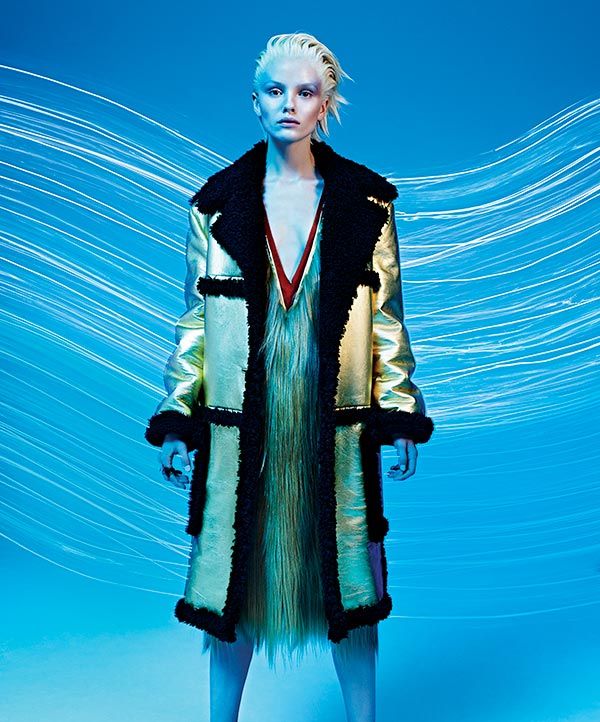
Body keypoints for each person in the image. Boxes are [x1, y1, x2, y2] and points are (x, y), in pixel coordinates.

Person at [144, 32, 434, 722]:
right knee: (235, 582)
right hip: (243, 425)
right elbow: (196, 322)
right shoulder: (215, 207)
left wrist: (398, 410)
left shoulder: (367, 205)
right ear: (254, 101)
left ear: (325, 105)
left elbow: (387, 318)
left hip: (334, 422)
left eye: (305, 92)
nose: (289, 104)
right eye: (275, 90)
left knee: (350, 580)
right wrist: (179, 414)